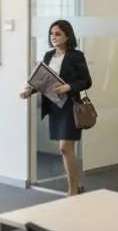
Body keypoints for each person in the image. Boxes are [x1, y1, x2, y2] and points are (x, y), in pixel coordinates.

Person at [21, 19, 92, 195]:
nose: (53, 37)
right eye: (51, 34)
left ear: (67, 36)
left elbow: (86, 81)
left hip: (70, 106)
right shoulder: (48, 56)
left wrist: (68, 87)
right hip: (54, 106)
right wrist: (30, 90)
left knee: (64, 148)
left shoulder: (76, 55)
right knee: (66, 150)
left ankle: (72, 190)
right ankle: (77, 185)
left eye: (58, 33)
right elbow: (43, 81)